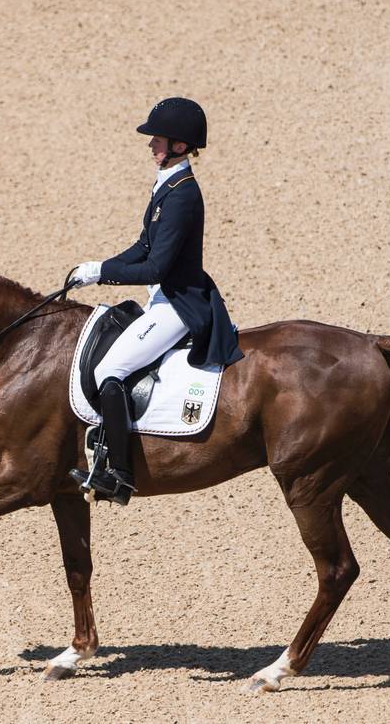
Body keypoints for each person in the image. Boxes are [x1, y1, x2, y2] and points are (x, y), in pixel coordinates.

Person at [68, 97, 244, 505]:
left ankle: (119, 475)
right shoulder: (167, 184)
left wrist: (102, 274)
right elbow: (143, 245)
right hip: (163, 298)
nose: (151, 146)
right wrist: (97, 265)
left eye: (158, 140)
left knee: (110, 368)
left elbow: (155, 268)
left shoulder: (183, 194)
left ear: (180, 146)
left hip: (178, 305)